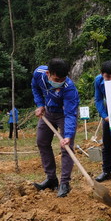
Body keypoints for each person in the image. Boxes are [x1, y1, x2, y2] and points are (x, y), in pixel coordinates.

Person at [31, 58, 80, 197]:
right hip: (48, 112)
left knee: (66, 147)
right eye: (56, 79)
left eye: (62, 79)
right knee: (42, 142)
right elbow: (35, 87)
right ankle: (51, 179)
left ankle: (65, 183)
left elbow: (70, 114)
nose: (59, 82)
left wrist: (68, 135)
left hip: (64, 114)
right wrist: (40, 104)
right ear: (48, 73)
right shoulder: (38, 74)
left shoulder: (69, 88)